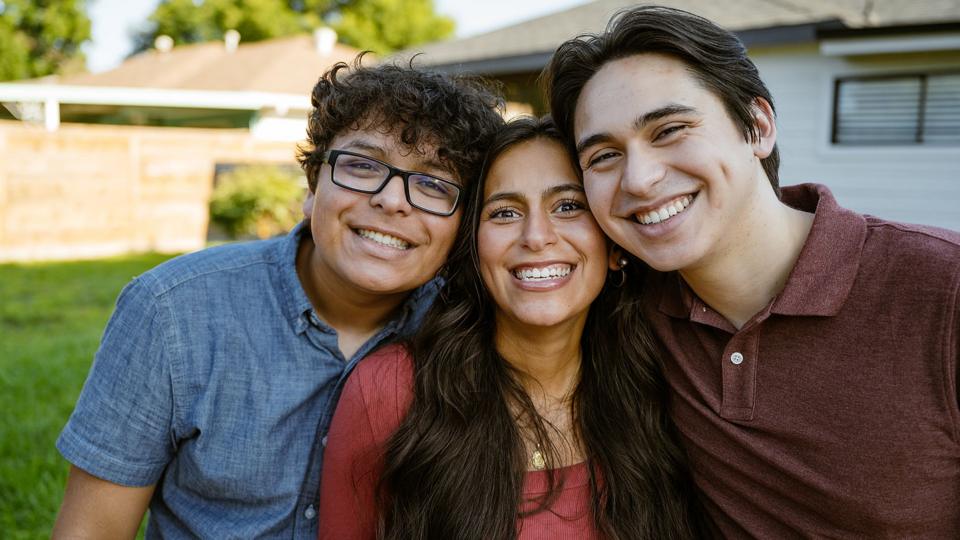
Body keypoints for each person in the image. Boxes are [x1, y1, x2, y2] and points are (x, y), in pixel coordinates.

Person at [545, 5, 960, 537]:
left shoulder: (941, 291)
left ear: (757, 126)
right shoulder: (627, 302)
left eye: (670, 129)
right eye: (603, 155)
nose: (641, 179)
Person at [51, 59, 503, 539]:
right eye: (362, 165)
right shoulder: (171, 312)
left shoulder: (470, 329)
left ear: (461, 226)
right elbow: (91, 530)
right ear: (311, 189)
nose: (393, 200)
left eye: (433, 183)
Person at [318, 116, 710, 539]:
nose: (536, 237)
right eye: (505, 212)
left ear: (614, 245)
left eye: (568, 206)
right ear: (473, 247)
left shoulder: (665, 383)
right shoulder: (392, 390)